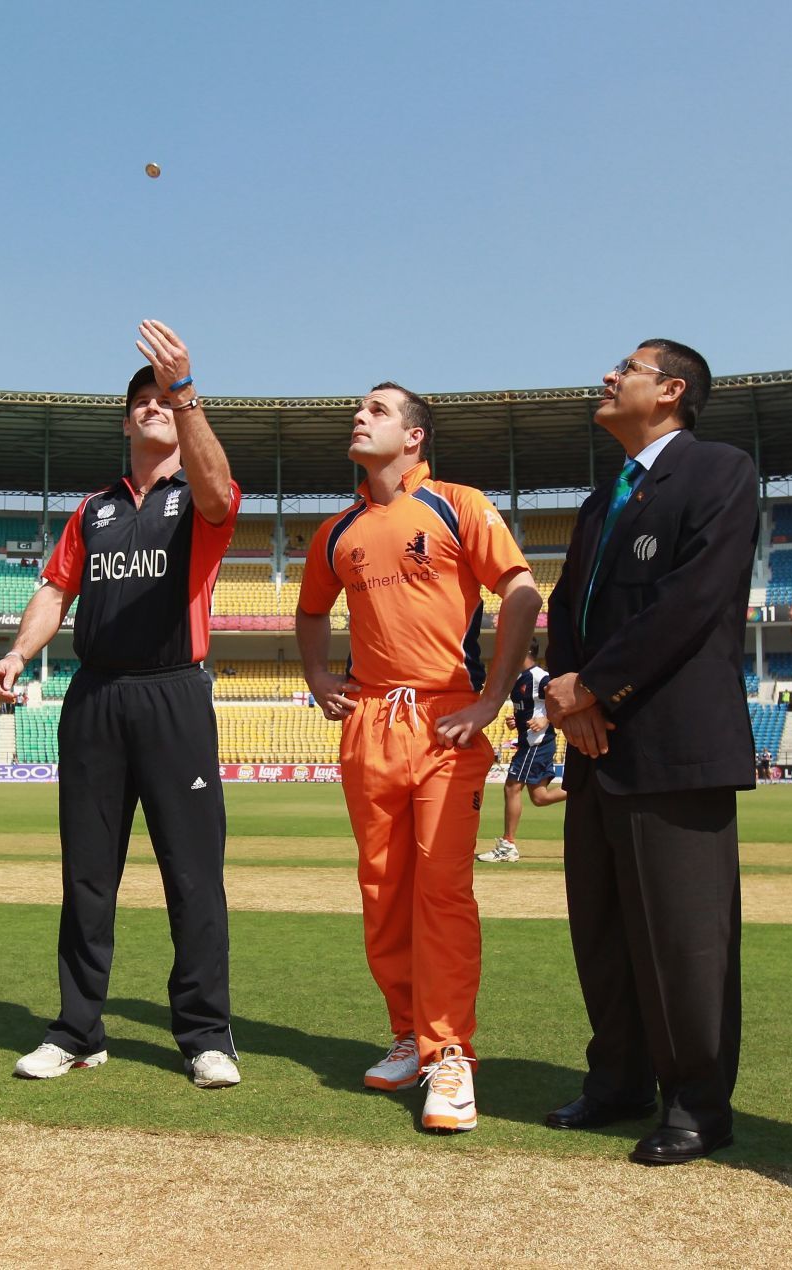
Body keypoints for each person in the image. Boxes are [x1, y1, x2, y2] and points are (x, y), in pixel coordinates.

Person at [0, 320, 242, 1091]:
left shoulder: (194, 498)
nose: (151, 405)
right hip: (95, 697)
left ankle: (204, 1034)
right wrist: (19, 652)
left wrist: (187, 391)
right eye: (142, 398)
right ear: (125, 418)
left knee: (192, 876)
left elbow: (217, 489)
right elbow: (55, 589)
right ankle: (77, 1030)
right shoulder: (93, 511)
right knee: (88, 876)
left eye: (161, 397)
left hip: (173, 693)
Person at [297, 382, 539, 1134]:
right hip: (368, 722)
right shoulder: (337, 530)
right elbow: (309, 611)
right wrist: (316, 676)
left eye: (376, 410)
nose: (358, 416)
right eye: (358, 408)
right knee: (382, 889)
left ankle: (449, 1056)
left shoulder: (458, 505)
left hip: (445, 723)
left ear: (414, 437)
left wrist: (492, 698)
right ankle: (408, 1034)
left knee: (439, 892)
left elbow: (522, 593)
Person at [540, 340, 758, 1165]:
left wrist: (595, 689)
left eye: (625, 369)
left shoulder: (720, 472)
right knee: (601, 928)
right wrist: (568, 692)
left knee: (683, 938)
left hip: (675, 746)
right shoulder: (604, 499)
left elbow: (692, 601)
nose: (607, 377)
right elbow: (566, 607)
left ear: (670, 391)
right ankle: (619, 1079)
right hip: (595, 745)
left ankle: (698, 1104)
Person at [479, 641, 565, 862]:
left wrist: (546, 718)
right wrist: (515, 720)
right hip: (529, 741)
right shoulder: (518, 679)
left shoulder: (540, 677)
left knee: (511, 787)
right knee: (540, 797)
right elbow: (530, 707)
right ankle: (582, 789)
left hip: (536, 743)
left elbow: (561, 700)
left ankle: (508, 845)